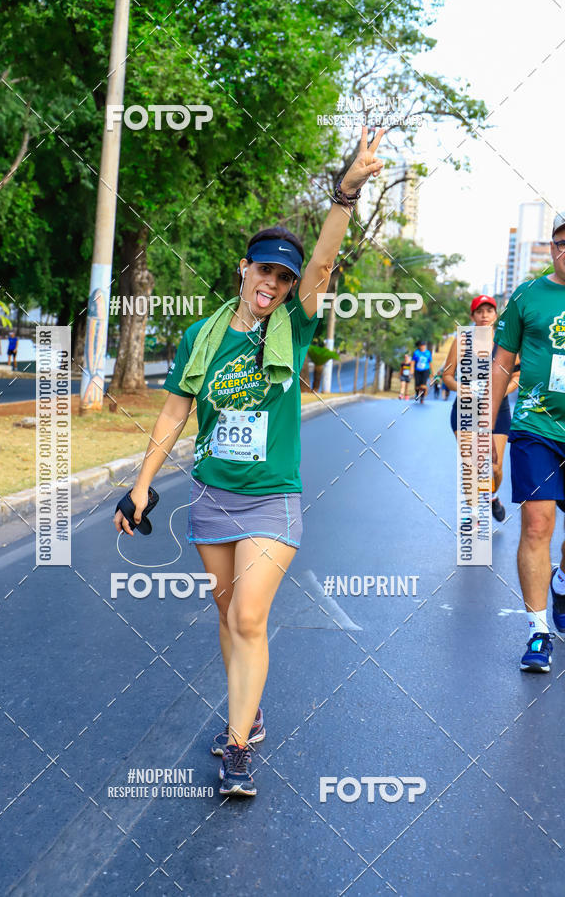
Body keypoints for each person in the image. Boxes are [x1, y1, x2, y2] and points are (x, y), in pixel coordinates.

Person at [114, 126, 385, 795]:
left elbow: (322, 264)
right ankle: (249, 709)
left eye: (284, 277)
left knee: (249, 618)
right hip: (213, 495)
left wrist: (346, 193)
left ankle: (237, 749)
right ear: (245, 268)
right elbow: (174, 414)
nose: (274, 283)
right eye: (265, 270)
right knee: (226, 613)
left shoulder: (293, 324)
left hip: (272, 497)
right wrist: (140, 487)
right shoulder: (201, 336)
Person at [492, 212, 565, 672]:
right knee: (538, 524)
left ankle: (562, 583)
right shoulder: (527, 295)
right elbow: (502, 363)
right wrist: (486, 427)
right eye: (561, 241)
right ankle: (539, 631)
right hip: (536, 427)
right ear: (552, 247)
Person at [443, 295, 519, 522]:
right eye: (479, 311)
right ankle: (474, 516)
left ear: (495, 315)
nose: (484, 315)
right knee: (471, 464)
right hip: (465, 410)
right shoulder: (462, 341)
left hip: (497, 411)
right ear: (472, 316)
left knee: (494, 467)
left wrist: (496, 392)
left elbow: (516, 377)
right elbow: (447, 376)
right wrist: (462, 388)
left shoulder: (506, 342)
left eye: (489, 311)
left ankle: (492, 495)